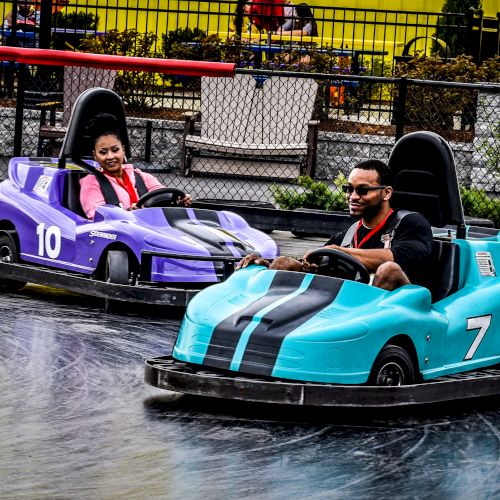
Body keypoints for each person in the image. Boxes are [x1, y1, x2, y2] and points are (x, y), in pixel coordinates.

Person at [238, 159, 434, 292]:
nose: (353, 196)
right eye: (349, 189)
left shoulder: (410, 223)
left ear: (387, 193)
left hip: (407, 311)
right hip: (351, 308)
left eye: (363, 190)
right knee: (283, 262)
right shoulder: (348, 236)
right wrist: (269, 267)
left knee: (388, 269)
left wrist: (341, 251)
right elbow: (313, 264)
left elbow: (404, 257)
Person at [80, 113, 192, 220]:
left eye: (115, 150)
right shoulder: (91, 184)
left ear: (123, 149)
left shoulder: (139, 176)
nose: (110, 156)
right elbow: (98, 219)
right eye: (103, 152)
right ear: (95, 155)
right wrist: (128, 213)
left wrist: (179, 199)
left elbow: (163, 194)